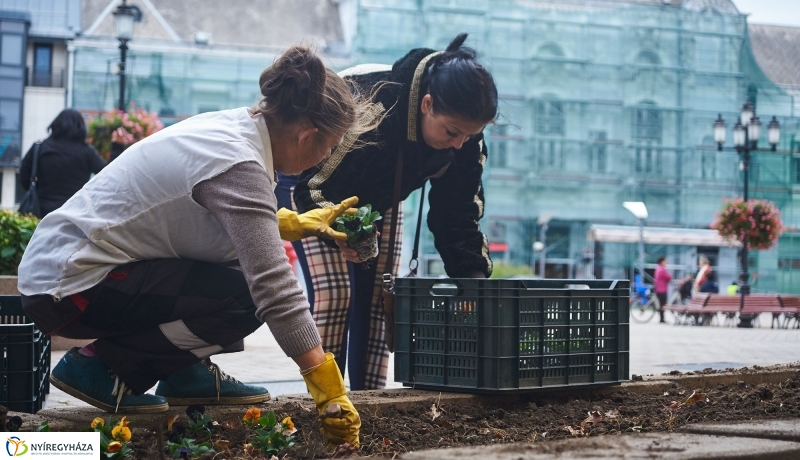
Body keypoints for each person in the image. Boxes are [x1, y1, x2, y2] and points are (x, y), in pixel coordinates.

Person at [17, 46, 373, 450]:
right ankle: (100, 366)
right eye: (331, 146)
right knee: (247, 294)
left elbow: (206, 220)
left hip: (67, 273)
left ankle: (183, 373)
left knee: (239, 274)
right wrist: (328, 390)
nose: (327, 156)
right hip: (69, 290)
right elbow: (274, 286)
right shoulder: (239, 164)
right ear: (306, 135)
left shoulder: (236, 129)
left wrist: (296, 224)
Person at [293, 33, 498, 390]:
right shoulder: (373, 104)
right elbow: (315, 186)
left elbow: (458, 214)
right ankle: (325, 403)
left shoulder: (464, 137)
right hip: (311, 184)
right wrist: (346, 232)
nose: (459, 144)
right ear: (427, 104)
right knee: (336, 294)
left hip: (380, 200)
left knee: (380, 303)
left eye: (469, 135)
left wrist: (473, 279)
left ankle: (370, 403)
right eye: (452, 132)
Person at [19, 109, 127, 218]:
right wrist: (117, 146)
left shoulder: (40, 147)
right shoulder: (86, 152)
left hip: (42, 212)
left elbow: (23, 177)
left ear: (55, 125)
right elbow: (107, 174)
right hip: (75, 212)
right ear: (80, 127)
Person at [654, 256, 672, 323]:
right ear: (662, 261)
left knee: (661, 304)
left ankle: (662, 318)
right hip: (662, 289)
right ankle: (662, 318)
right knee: (662, 304)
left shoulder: (658, 268)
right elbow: (669, 277)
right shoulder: (662, 269)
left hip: (658, 289)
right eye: (665, 261)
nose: (666, 262)